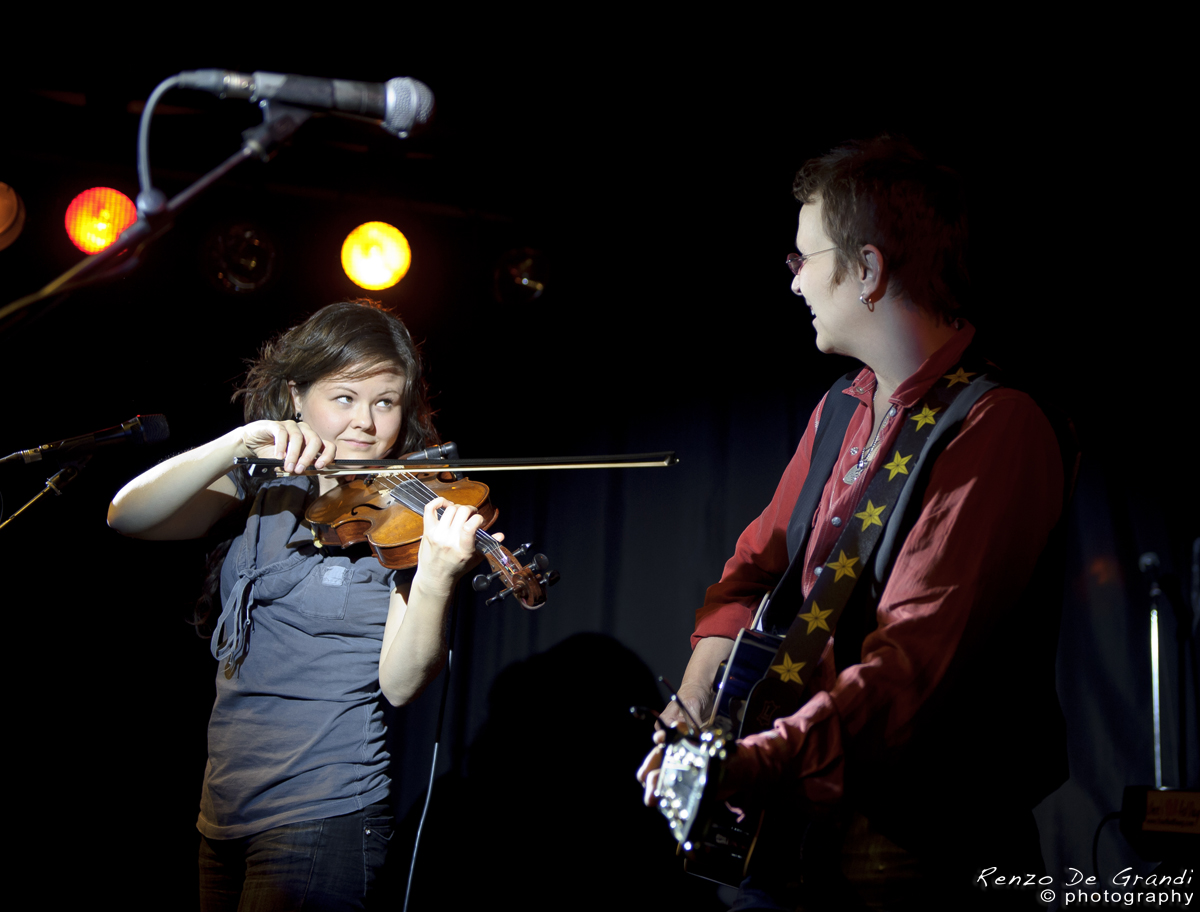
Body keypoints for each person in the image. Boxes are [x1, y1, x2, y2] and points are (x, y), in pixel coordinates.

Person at [638, 138, 1073, 910]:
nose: (795, 279)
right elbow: (752, 570)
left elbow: (907, 667)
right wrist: (695, 709)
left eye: (805, 258)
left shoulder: (996, 426)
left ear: (867, 270)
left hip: (920, 849)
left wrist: (755, 761)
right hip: (801, 831)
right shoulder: (842, 404)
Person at [108, 300, 488, 911]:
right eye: (344, 398)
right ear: (296, 397)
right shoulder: (268, 483)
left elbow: (400, 684)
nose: (366, 422)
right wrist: (237, 443)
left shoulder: (406, 520)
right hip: (221, 813)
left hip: (325, 813)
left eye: (385, 402)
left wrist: (438, 575)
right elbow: (128, 516)